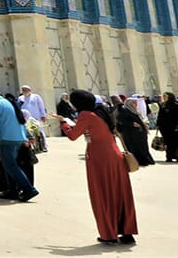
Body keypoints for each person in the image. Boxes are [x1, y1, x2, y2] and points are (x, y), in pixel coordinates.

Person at [53, 90, 138, 245]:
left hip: (100, 158)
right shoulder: (101, 112)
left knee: (103, 195)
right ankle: (127, 233)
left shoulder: (85, 115)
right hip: (114, 156)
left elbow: (73, 136)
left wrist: (63, 122)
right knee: (120, 194)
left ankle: (109, 234)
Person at [0, 89, 38, 202]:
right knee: (9, 166)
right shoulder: (7, 103)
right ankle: (13, 191)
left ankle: (29, 190)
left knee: (11, 166)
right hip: (17, 138)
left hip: (7, 138)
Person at [116, 98, 155, 167]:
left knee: (142, 147)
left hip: (139, 132)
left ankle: (146, 159)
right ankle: (138, 161)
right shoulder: (124, 110)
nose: (136, 104)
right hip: (131, 133)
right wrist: (132, 123)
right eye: (134, 103)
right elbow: (120, 120)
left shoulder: (133, 110)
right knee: (135, 147)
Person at [156, 92, 178, 163]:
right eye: (163, 97)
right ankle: (169, 157)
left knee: (177, 143)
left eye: (165, 97)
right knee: (168, 143)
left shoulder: (177, 105)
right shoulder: (163, 105)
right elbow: (160, 116)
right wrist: (158, 124)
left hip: (175, 128)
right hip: (165, 128)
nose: (164, 98)